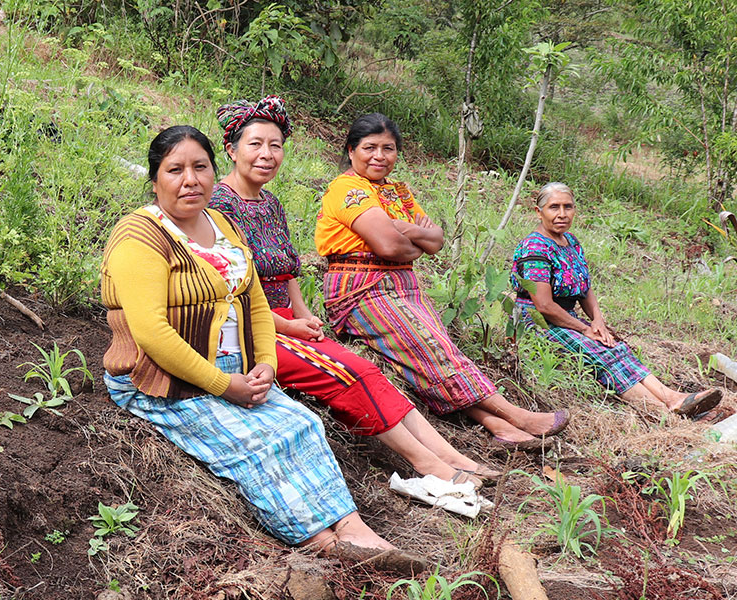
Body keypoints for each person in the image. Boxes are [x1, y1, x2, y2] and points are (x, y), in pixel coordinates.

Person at [100, 125, 424, 568]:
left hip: (234, 365)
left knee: (303, 424)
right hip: (160, 376)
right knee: (259, 442)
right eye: (175, 170)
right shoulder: (140, 236)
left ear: (215, 172)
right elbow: (153, 333)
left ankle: (353, 529)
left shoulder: (222, 225)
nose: (190, 179)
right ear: (155, 179)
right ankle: (323, 544)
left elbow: (252, 302)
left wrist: (266, 364)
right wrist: (223, 384)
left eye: (200, 167)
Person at [209, 96, 499, 488]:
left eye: (275, 145)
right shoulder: (217, 206)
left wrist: (303, 313)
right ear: (231, 149)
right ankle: (430, 464)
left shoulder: (270, 203)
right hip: (251, 325)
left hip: (287, 319)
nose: (266, 154)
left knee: (369, 370)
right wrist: (287, 325)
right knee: (350, 373)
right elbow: (232, 288)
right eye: (255, 144)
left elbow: (288, 271)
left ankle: (450, 454)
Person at [316, 113, 569, 448]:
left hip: (401, 285)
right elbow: (389, 245)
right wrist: (411, 238)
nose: (379, 155)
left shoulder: (397, 192)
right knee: (432, 349)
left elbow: (435, 242)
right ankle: (515, 415)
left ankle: (499, 426)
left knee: (438, 350)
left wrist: (409, 231)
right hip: (361, 288)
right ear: (351, 151)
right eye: (369, 147)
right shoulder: (347, 188)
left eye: (388, 148)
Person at [511, 181, 722, 416]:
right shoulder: (535, 248)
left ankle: (673, 398)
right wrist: (584, 329)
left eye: (568, 207)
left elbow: (584, 287)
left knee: (617, 347)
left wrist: (598, 321)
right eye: (554, 207)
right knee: (600, 353)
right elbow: (544, 305)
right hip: (538, 321)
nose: (562, 214)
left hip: (564, 316)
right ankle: (660, 413)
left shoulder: (570, 242)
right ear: (539, 212)